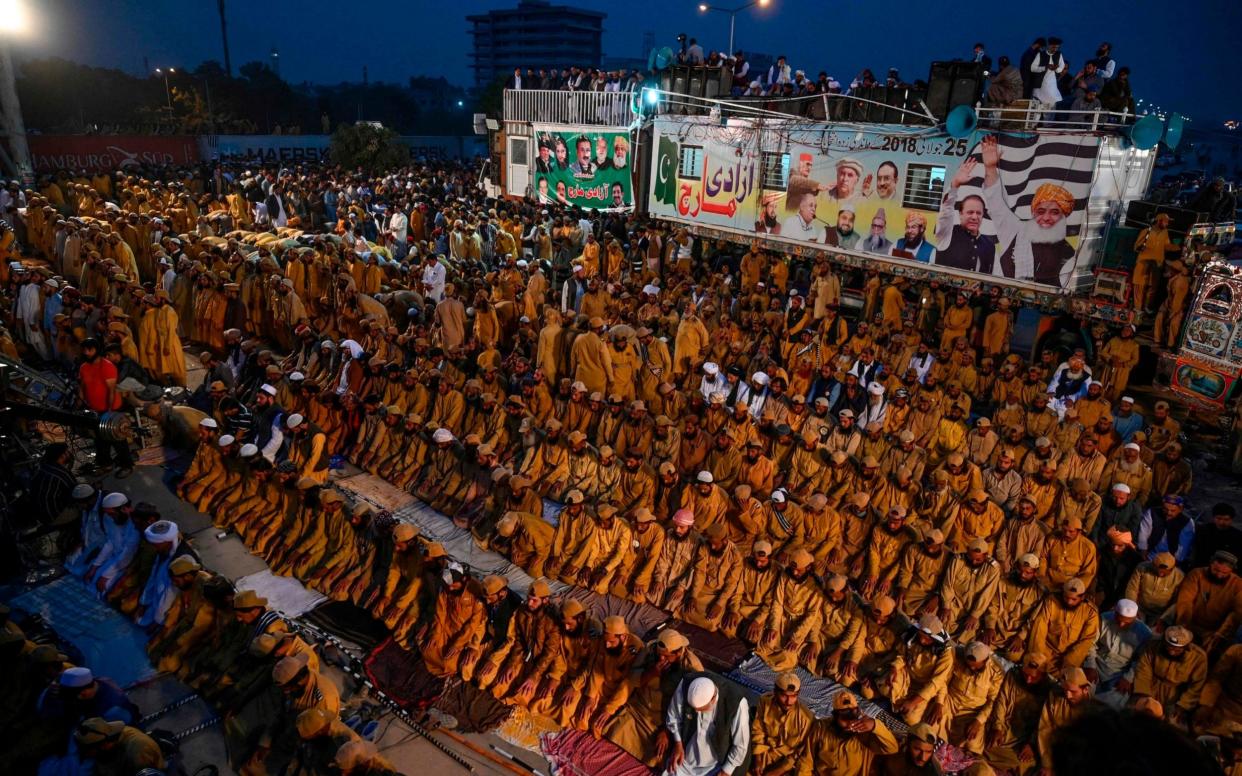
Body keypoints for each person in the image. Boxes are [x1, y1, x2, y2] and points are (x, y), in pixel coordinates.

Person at [798, 692, 899, 776]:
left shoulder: (864, 733)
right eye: (845, 719)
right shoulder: (821, 728)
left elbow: (892, 748)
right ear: (835, 716)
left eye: (853, 718)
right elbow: (806, 761)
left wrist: (875, 725)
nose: (851, 724)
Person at [78, 338, 134, 477]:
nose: (86, 353)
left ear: (96, 350)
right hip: (94, 409)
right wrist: (80, 403)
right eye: (84, 350)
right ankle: (106, 464)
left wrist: (109, 412)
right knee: (100, 439)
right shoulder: (84, 367)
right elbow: (82, 386)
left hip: (111, 409)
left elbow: (111, 390)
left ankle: (126, 465)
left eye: (89, 350)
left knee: (117, 438)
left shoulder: (107, 366)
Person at [935, 157, 996, 274]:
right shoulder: (947, 233)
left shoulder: (990, 246)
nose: (974, 217)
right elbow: (946, 211)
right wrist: (955, 185)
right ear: (960, 214)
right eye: (970, 212)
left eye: (979, 213)